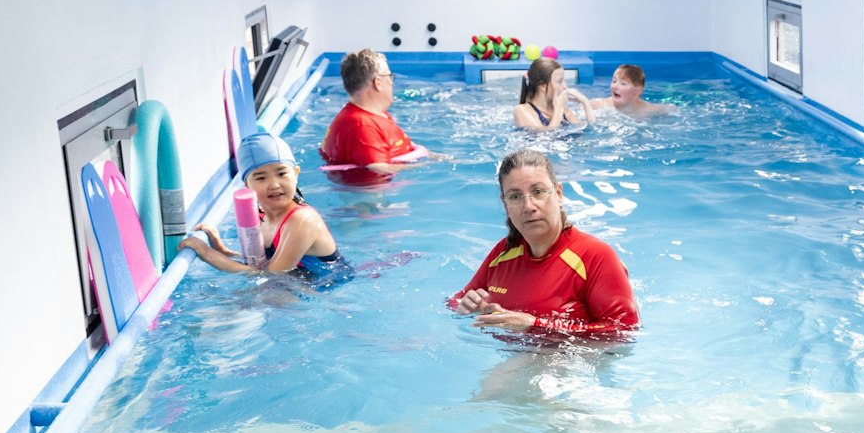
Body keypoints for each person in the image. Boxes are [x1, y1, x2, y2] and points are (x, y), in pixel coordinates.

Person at [448, 149, 638, 336]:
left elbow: (624, 331)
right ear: (505, 204)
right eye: (515, 197)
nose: (528, 206)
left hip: (574, 358)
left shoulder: (595, 256)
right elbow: (454, 301)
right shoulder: (504, 253)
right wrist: (467, 307)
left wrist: (534, 325)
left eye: (538, 192)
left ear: (558, 194)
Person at [182, 132, 342, 277]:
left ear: (296, 174)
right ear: (247, 185)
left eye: (281, 173)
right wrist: (220, 249)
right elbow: (257, 263)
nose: (274, 184)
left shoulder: (303, 220)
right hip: (296, 282)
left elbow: (270, 275)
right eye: (260, 178)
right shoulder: (260, 215)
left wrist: (206, 252)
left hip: (327, 288)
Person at [320, 48, 427, 186]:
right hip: (370, 197)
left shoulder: (374, 115)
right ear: (378, 82)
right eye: (389, 77)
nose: (392, 82)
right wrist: (425, 165)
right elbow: (378, 170)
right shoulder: (362, 125)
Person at [512, 57, 590, 131]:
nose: (565, 87)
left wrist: (585, 103)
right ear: (542, 86)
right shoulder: (521, 110)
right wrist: (558, 108)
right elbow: (547, 136)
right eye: (559, 81)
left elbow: (588, 131)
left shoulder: (563, 110)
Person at [586, 64, 674, 119]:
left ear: (637, 91)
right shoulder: (599, 106)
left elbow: (672, 109)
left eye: (623, 84)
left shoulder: (648, 110)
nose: (615, 86)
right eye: (614, 81)